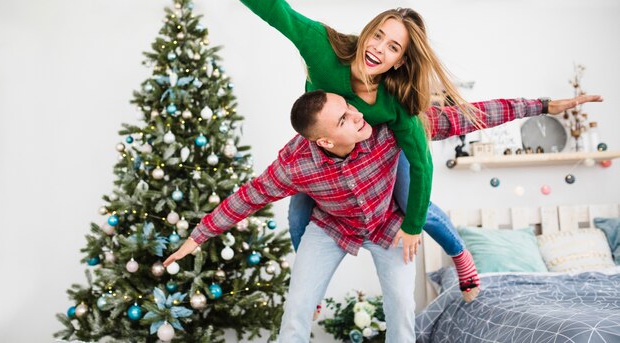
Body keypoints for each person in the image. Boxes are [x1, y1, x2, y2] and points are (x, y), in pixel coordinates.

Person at [239, 0, 604, 301]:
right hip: (330, 155)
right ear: (367, 31)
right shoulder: (323, 50)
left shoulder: (399, 106)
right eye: (378, 35)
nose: (379, 48)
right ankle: (308, 293)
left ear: (399, 61)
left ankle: (461, 255)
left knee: (414, 201)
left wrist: (542, 105)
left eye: (393, 46)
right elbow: (276, 10)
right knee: (299, 207)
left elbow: (465, 123)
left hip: (383, 158)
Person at [164, 91, 426, 342]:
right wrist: (198, 236)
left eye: (348, 107)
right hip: (331, 227)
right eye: (343, 119)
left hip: (388, 224)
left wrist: (468, 112)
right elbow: (248, 197)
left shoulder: (383, 129)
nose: (357, 115)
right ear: (324, 141)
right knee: (298, 307)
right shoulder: (294, 164)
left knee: (401, 305)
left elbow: (442, 120)